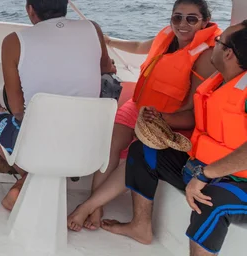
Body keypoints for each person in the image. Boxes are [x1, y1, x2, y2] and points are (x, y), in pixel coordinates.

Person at [68, 0, 221, 231]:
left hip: (165, 120)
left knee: (134, 157)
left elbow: (193, 108)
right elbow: (140, 46)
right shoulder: (167, 36)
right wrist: (109, 41)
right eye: (177, 17)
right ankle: (96, 207)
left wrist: (162, 119)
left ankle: (88, 206)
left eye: (192, 19)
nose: (182, 24)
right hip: (139, 105)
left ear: (205, 21)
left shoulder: (205, 56)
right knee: (110, 145)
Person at [102, 21, 247, 256]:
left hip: (238, 182)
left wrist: (206, 174)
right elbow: (197, 118)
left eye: (218, 42)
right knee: (143, 150)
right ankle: (140, 226)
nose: (214, 45)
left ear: (228, 53)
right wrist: (161, 119)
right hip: (202, 168)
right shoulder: (219, 81)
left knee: (211, 202)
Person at [0, 0, 115, 210]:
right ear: (66, 4)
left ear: (30, 10)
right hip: (89, 148)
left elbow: (16, 108)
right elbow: (107, 68)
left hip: (38, 148)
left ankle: (28, 177)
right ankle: (33, 178)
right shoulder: (93, 29)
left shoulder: (14, 42)